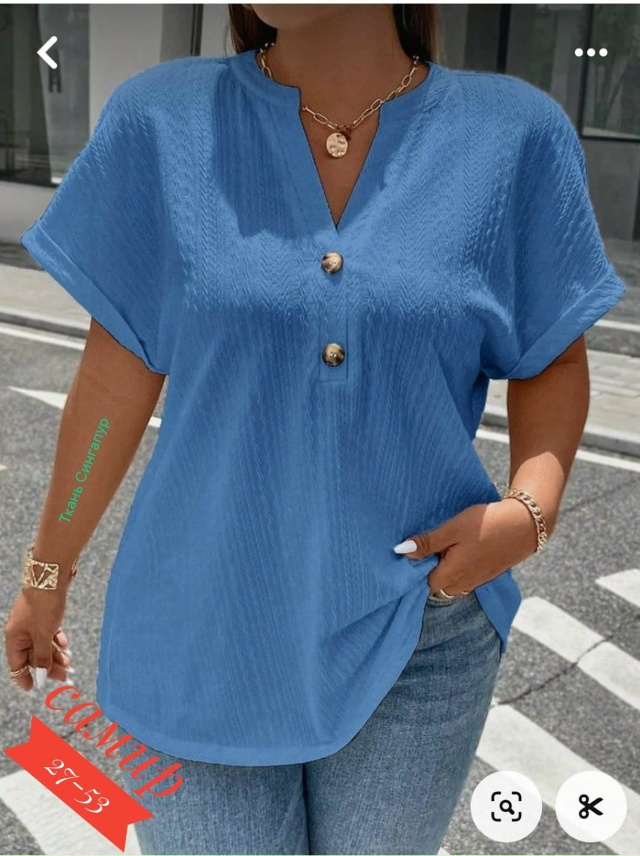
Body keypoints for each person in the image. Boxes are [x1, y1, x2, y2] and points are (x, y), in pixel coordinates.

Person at [4, 4, 626, 854]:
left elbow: (552, 351)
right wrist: (47, 572)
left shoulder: (513, 136)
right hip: (197, 636)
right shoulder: (161, 121)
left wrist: (530, 512)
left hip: (416, 630)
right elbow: (113, 384)